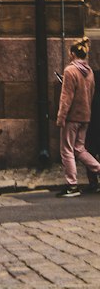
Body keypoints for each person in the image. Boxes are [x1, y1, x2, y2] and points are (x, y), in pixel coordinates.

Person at [56, 36, 100, 197]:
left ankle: (72, 185)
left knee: (67, 150)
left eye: (70, 52)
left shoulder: (70, 71)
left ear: (73, 53)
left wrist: (61, 117)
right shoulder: (89, 71)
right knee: (79, 149)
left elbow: (66, 97)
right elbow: (91, 93)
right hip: (85, 116)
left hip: (72, 117)